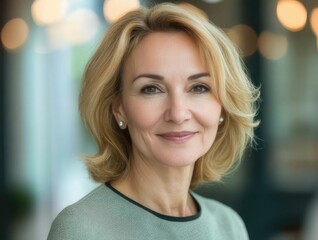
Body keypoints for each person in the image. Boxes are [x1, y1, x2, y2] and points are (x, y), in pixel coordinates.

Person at [48, 2, 259, 240]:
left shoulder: (229, 226)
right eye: (151, 89)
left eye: (199, 87)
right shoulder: (81, 229)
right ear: (119, 109)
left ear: (223, 106)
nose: (178, 113)